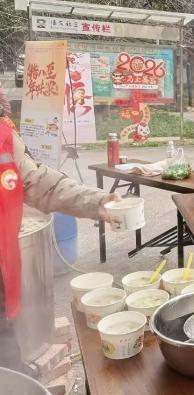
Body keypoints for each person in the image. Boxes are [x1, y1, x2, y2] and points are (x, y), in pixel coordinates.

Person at [0, 117, 119, 371]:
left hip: (2, 280)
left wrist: (95, 202)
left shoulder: (3, 138)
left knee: (10, 372)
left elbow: (39, 182)